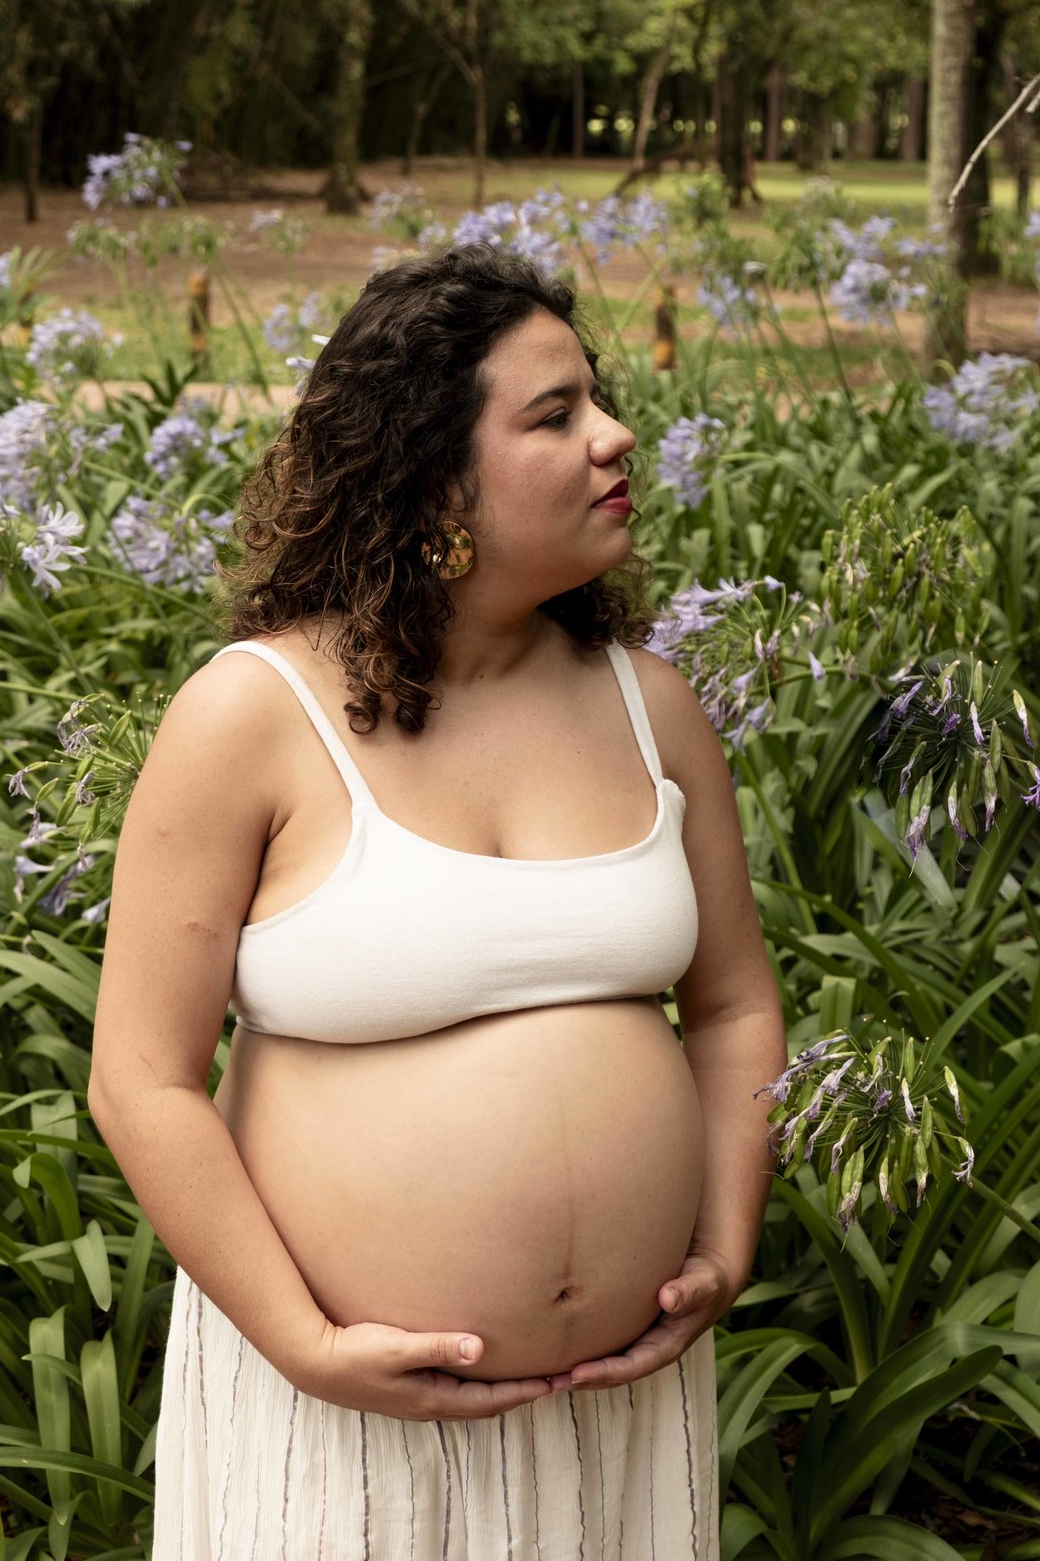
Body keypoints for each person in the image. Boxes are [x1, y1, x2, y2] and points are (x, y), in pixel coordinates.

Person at [89, 241, 787, 1559]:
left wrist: (722, 1244)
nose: (617, 435)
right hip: (346, 1415)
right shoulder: (255, 713)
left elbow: (739, 1004)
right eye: (556, 414)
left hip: (614, 1415)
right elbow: (141, 1078)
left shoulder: (655, 710)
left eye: (598, 398)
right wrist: (304, 1345)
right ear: (430, 479)